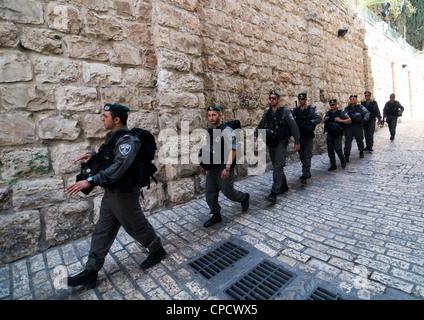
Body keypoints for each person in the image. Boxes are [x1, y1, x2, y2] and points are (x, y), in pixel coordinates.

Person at [65, 103, 166, 288]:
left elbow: (119, 167)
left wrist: (91, 180)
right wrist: (92, 156)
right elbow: (108, 158)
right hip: (111, 193)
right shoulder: (114, 138)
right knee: (102, 231)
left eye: (105, 116)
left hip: (124, 194)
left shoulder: (128, 141)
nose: (102, 119)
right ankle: (91, 271)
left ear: (116, 119)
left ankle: (157, 249)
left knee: (136, 226)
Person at [200, 106, 250, 228]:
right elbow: (209, 148)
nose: (211, 118)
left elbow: (233, 149)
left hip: (224, 164)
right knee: (209, 192)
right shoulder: (210, 130)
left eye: (214, 115)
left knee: (228, 192)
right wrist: (204, 164)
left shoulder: (227, 130)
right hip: (213, 165)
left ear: (219, 116)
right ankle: (216, 214)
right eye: (209, 115)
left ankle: (244, 197)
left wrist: (227, 168)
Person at [254, 90, 300, 204]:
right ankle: (283, 186)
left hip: (281, 142)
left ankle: (274, 192)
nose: (272, 100)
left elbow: (294, 127)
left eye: (274, 98)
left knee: (278, 165)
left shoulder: (285, 112)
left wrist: (297, 142)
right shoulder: (267, 113)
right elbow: (261, 125)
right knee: (276, 165)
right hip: (271, 142)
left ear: (278, 99)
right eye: (270, 98)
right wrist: (255, 135)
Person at [291, 93, 322, 184]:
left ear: (306, 99)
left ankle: (305, 174)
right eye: (299, 99)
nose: (301, 100)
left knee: (307, 155)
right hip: (299, 137)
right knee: (301, 156)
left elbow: (319, 118)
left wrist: (310, 122)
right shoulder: (295, 111)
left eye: (303, 99)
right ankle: (306, 170)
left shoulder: (311, 110)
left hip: (308, 136)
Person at [322, 99, 351, 171]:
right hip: (330, 133)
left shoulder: (341, 112)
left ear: (336, 104)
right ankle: (333, 164)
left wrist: (340, 120)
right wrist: (324, 119)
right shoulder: (328, 113)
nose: (332, 106)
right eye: (330, 105)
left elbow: (349, 120)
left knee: (338, 149)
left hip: (338, 133)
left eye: (333, 104)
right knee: (330, 150)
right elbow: (323, 121)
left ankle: (342, 160)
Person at [344, 94, 370, 162]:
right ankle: (346, 155)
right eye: (351, 99)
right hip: (349, 126)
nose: (352, 101)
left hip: (358, 126)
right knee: (347, 141)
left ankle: (361, 151)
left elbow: (366, 113)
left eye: (353, 99)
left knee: (359, 140)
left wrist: (365, 119)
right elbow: (344, 115)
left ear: (356, 100)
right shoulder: (347, 108)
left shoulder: (360, 107)